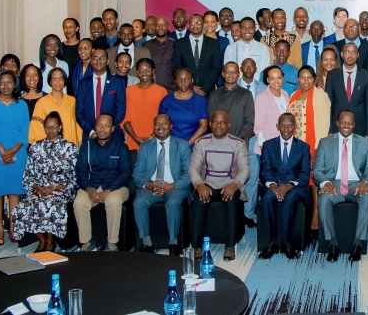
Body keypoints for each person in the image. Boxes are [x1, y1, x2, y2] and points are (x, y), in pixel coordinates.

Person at [313, 110, 368, 262]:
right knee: (324, 199)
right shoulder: (325, 142)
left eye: (349, 123)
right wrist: (326, 182)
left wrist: (365, 183)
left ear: (354, 125)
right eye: (343, 122)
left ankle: (357, 244)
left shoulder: (365, 143)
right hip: (333, 184)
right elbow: (317, 170)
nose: (346, 126)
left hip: (356, 185)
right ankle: (332, 244)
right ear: (337, 124)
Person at [11, 111, 79, 253]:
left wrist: (53, 187)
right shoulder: (36, 147)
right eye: (47, 127)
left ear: (60, 127)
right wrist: (38, 188)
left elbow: (74, 177)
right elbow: (28, 174)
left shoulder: (70, 147)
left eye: (54, 127)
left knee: (50, 203)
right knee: (22, 206)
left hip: (62, 189)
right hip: (39, 189)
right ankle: (42, 239)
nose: (50, 130)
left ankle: (50, 240)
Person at [190, 111, 250, 261]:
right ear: (210, 124)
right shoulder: (201, 142)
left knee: (231, 202)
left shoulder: (238, 144)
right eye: (215, 122)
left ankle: (229, 246)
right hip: (207, 184)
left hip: (229, 184)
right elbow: (193, 168)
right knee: (198, 203)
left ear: (228, 125)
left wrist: (234, 184)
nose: (218, 125)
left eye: (222, 122)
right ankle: (197, 246)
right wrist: (199, 184)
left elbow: (245, 169)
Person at [0, 70, 29, 246]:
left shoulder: (21, 104)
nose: (6, 86)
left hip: (18, 151)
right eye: (2, 82)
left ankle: (13, 227)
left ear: (14, 83)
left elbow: (25, 129)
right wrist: (3, 151)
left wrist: (14, 150)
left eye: (9, 82)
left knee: (15, 191)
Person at [134, 114, 190, 256]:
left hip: (174, 186)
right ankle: (146, 243)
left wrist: (172, 186)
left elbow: (189, 172)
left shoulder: (182, 145)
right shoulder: (145, 146)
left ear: (171, 126)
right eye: (157, 124)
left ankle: (173, 243)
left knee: (173, 203)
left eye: (164, 124)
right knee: (139, 202)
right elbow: (137, 173)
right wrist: (149, 186)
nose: (160, 127)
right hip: (151, 186)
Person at [74, 114, 131, 251]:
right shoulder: (87, 146)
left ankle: (112, 244)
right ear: (95, 127)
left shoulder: (121, 147)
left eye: (106, 126)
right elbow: (80, 171)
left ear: (112, 129)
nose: (102, 129)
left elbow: (125, 173)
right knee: (79, 202)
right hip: (91, 185)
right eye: (99, 125)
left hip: (116, 187)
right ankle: (86, 243)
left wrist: (108, 190)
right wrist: (88, 188)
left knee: (113, 201)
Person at [258, 113, 311, 260]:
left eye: (289, 126)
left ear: (295, 127)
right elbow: (265, 170)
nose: (286, 129)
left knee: (291, 197)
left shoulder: (303, 147)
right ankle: (271, 242)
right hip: (273, 184)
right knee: (268, 197)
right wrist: (273, 185)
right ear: (277, 127)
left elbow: (304, 174)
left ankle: (287, 243)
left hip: (294, 186)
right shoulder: (268, 145)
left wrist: (288, 185)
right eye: (283, 126)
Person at [287, 65, 330, 230]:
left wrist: (318, 147)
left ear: (314, 79)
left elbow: (324, 123)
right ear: (298, 79)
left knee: (313, 181)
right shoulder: (294, 95)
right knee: (299, 179)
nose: (306, 81)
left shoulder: (320, 95)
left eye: (309, 78)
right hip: (295, 147)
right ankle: (302, 217)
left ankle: (316, 217)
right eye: (302, 78)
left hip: (312, 145)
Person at [251, 65, 291, 225]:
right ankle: (265, 219)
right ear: (267, 80)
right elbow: (258, 126)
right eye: (272, 78)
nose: (276, 81)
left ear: (283, 78)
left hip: (283, 147)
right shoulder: (262, 97)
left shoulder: (285, 94)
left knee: (282, 183)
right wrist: (264, 149)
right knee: (268, 184)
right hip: (267, 149)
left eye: (279, 77)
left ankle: (281, 218)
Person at [76, 50, 128, 145]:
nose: (98, 61)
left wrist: (107, 130)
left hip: (113, 136)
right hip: (90, 135)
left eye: (102, 58)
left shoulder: (118, 82)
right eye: (95, 58)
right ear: (91, 61)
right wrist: (92, 131)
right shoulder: (83, 84)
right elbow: (79, 113)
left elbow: (121, 111)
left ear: (107, 61)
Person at [325, 43, 368, 138]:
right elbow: (328, 105)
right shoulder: (332, 76)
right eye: (347, 51)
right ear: (341, 54)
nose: (350, 55)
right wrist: (330, 130)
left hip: (360, 129)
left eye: (353, 52)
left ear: (358, 55)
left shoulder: (367, 76)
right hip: (337, 128)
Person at [122, 58, 169, 150]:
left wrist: (151, 137)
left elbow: (164, 116)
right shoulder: (129, 91)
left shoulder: (161, 91)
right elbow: (126, 119)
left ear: (153, 71)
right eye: (141, 71)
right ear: (137, 72)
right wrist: (136, 139)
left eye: (147, 70)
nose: (144, 74)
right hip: (133, 137)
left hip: (156, 137)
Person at [28, 68, 83, 147]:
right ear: (50, 82)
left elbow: (76, 122)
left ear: (64, 81)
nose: (58, 81)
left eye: (60, 78)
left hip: (70, 146)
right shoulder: (42, 102)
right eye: (54, 78)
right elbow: (36, 126)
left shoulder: (72, 101)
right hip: (49, 147)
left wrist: (80, 141)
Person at [171, 14, 221, 95]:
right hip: (186, 90)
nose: (195, 25)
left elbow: (216, 68)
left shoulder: (213, 43)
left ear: (203, 25)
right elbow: (176, 68)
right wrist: (191, 87)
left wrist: (204, 89)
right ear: (188, 26)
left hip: (208, 91)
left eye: (198, 22)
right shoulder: (179, 44)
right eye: (192, 23)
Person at [159, 69, 209, 146]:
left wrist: (186, 144)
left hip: (195, 145)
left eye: (186, 79)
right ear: (175, 81)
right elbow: (161, 124)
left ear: (192, 80)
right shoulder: (167, 100)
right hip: (172, 144)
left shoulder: (201, 101)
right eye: (179, 79)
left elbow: (204, 126)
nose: (183, 82)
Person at [208, 62, 255, 141]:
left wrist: (236, 140)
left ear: (238, 74)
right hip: (218, 141)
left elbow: (249, 121)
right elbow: (212, 119)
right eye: (228, 72)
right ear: (223, 74)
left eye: (234, 72)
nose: (231, 75)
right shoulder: (214, 94)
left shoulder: (246, 94)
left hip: (240, 141)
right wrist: (221, 138)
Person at [145, 17, 176, 92]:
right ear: (154, 27)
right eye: (158, 25)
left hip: (170, 90)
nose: (160, 27)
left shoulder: (175, 45)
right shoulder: (146, 45)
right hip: (150, 89)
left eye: (163, 25)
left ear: (168, 28)